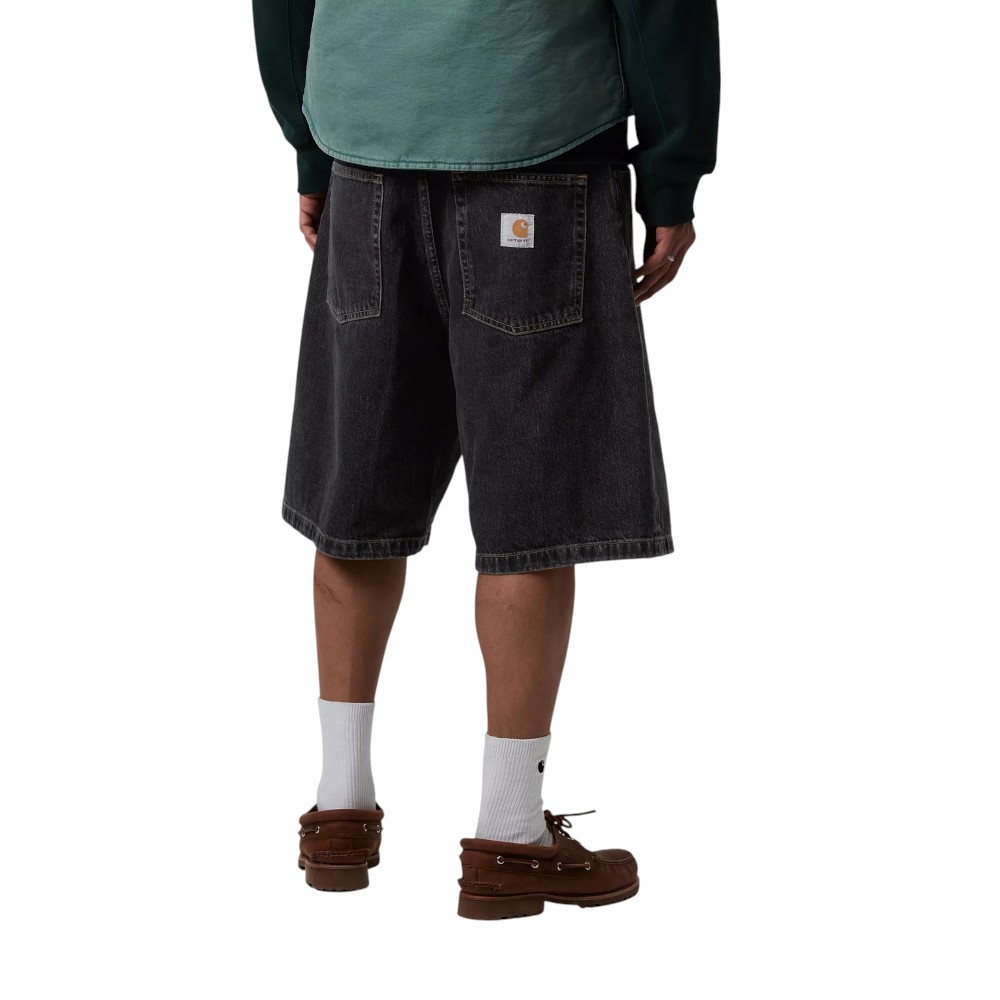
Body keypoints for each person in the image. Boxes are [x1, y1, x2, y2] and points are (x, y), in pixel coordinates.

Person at [252, 0, 720, 920]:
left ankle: (339, 810)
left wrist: (311, 148)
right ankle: (509, 832)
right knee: (530, 511)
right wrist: (671, 176)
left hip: (364, 150)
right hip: (537, 143)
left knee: (357, 490)